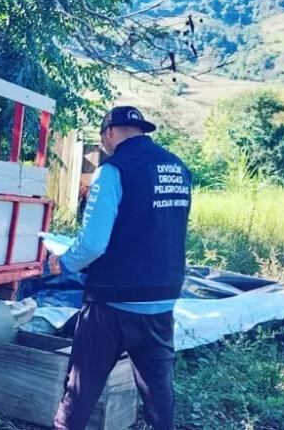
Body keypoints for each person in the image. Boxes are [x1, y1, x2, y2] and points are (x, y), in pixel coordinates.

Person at [48, 106, 192, 430]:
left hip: (112, 304)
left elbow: (94, 243)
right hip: (162, 300)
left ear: (109, 133)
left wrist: (64, 263)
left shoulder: (114, 170)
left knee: (80, 390)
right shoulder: (179, 169)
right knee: (158, 394)